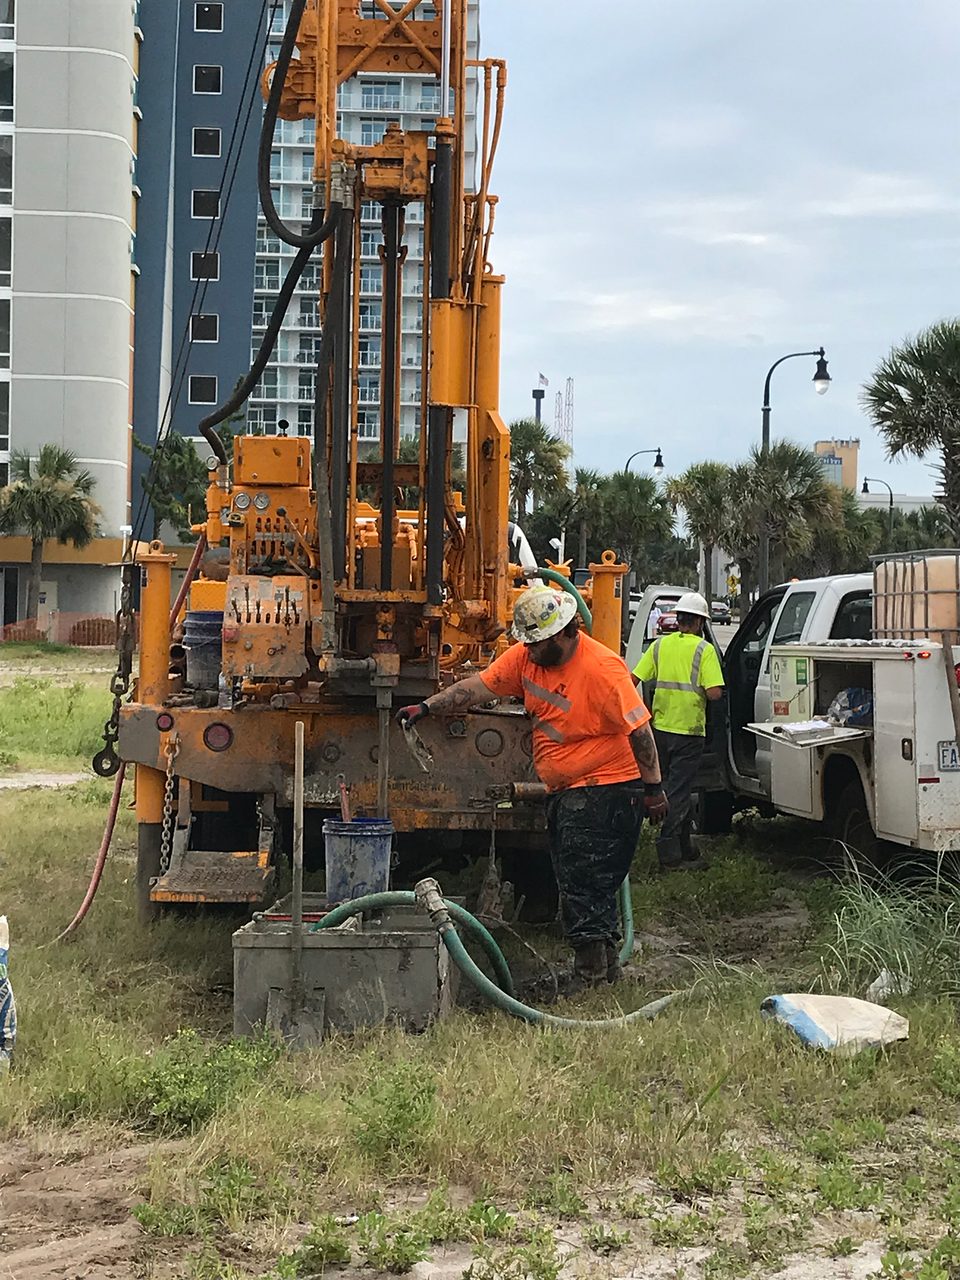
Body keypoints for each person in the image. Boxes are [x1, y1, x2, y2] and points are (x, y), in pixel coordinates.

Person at [397, 584, 668, 986]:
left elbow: (640, 733)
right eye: (528, 642)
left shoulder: (603, 670)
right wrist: (427, 706)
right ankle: (604, 971)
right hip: (570, 790)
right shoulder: (526, 658)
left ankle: (590, 974)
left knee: (585, 881)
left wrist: (654, 789)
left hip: (606, 788)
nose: (530, 650)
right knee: (584, 880)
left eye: (538, 643)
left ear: (566, 633)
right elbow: (478, 687)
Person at [633, 592, 724, 871]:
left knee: (671, 785)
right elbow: (714, 693)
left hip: (660, 729)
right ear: (699, 622)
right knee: (680, 792)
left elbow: (633, 679)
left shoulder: (659, 646)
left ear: (679, 619)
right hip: (689, 731)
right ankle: (669, 854)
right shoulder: (704, 650)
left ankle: (686, 848)